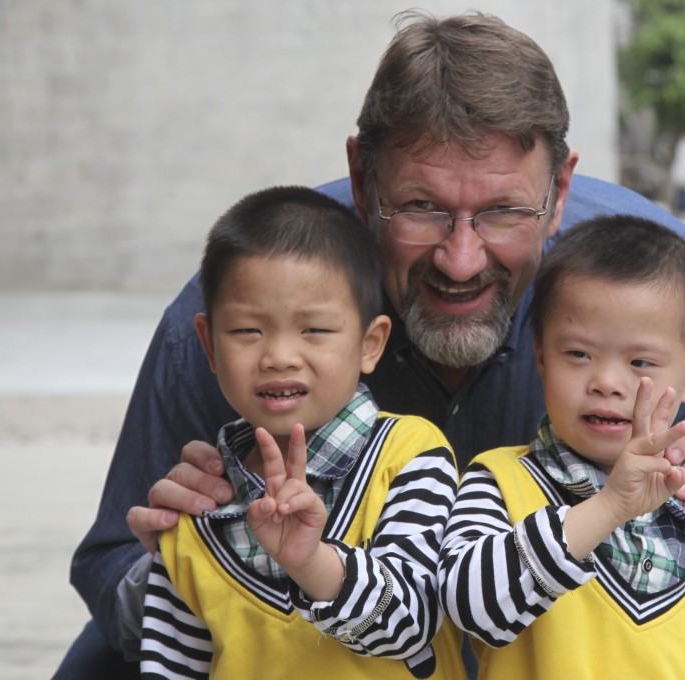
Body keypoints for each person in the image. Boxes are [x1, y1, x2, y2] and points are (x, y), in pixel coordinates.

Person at [59, 10, 685, 679]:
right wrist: (189, 556)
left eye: (502, 212)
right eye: (421, 207)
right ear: (362, 180)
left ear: (559, 192)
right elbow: (109, 562)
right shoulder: (245, 313)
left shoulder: (661, 299)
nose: (461, 259)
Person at [438, 215, 685, 679]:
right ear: (540, 356)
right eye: (578, 354)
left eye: (640, 361)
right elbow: (469, 609)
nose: (606, 382)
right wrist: (608, 508)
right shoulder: (499, 486)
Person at [139, 186, 465, 678]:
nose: (279, 356)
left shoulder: (411, 456)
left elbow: (412, 624)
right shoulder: (193, 511)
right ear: (208, 343)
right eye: (249, 331)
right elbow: (169, 665)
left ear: (370, 343)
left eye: (314, 330)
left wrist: (312, 562)